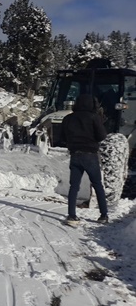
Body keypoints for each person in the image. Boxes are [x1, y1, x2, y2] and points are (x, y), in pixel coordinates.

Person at [62, 94, 109, 225]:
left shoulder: (68, 118)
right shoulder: (94, 117)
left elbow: (62, 137)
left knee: (74, 186)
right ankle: (103, 215)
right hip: (90, 156)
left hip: (75, 155)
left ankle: (72, 216)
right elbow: (102, 136)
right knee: (97, 185)